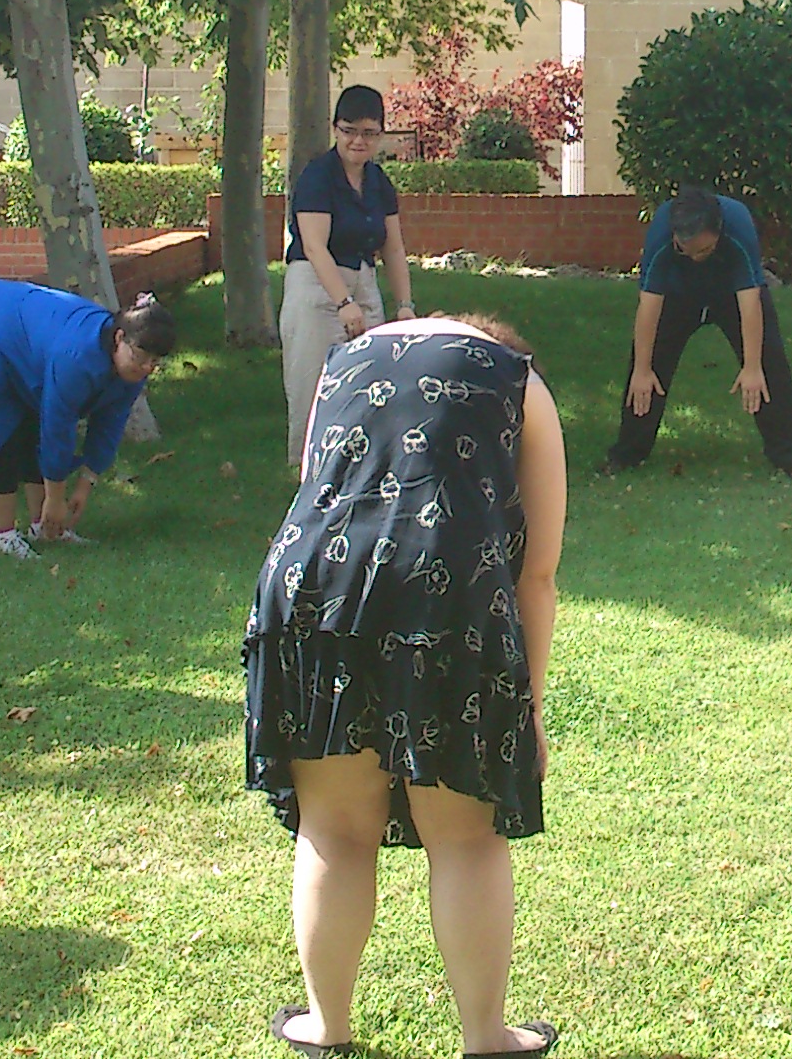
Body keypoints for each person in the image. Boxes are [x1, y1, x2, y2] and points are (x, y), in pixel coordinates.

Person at [245, 313, 565, 1059]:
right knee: (466, 836)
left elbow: (321, 489)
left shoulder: (342, 364)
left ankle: (325, 1028)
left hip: (313, 590)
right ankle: (487, 1037)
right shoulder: (518, 380)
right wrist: (529, 707)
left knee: (333, 827)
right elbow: (538, 573)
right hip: (446, 592)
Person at [0, 282, 176, 558]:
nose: (146, 367)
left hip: (17, 336)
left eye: (155, 362)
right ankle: (4, 536)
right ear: (119, 337)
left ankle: (44, 528)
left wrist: (85, 485)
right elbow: (58, 427)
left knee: (34, 413)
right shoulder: (76, 357)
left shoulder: (133, 368)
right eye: (141, 356)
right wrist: (56, 499)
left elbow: (110, 423)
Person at [600, 185, 792, 481]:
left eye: (703, 250)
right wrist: (642, 369)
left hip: (731, 293)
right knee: (645, 372)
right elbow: (649, 305)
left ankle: (790, 457)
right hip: (677, 294)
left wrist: (752, 367)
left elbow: (750, 300)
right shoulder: (662, 232)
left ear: (719, 232)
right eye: (684, 250)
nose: (694, 257)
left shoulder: (738, 224)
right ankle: (626, 454)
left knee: (769, 365)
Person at [281, 85, 415, 465]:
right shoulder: (317, 177)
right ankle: (309, 467)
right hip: (316, 284)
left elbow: (393, 247)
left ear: (381, 135)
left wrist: (405, 305)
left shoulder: (378, 182)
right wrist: (343, 302)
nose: (359, 141)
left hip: (363, 279)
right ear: (336, 129)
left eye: (369, 133)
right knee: (313, 384)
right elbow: (314, 246)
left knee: (373, 380)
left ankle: (362, 465)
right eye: (349, 130)